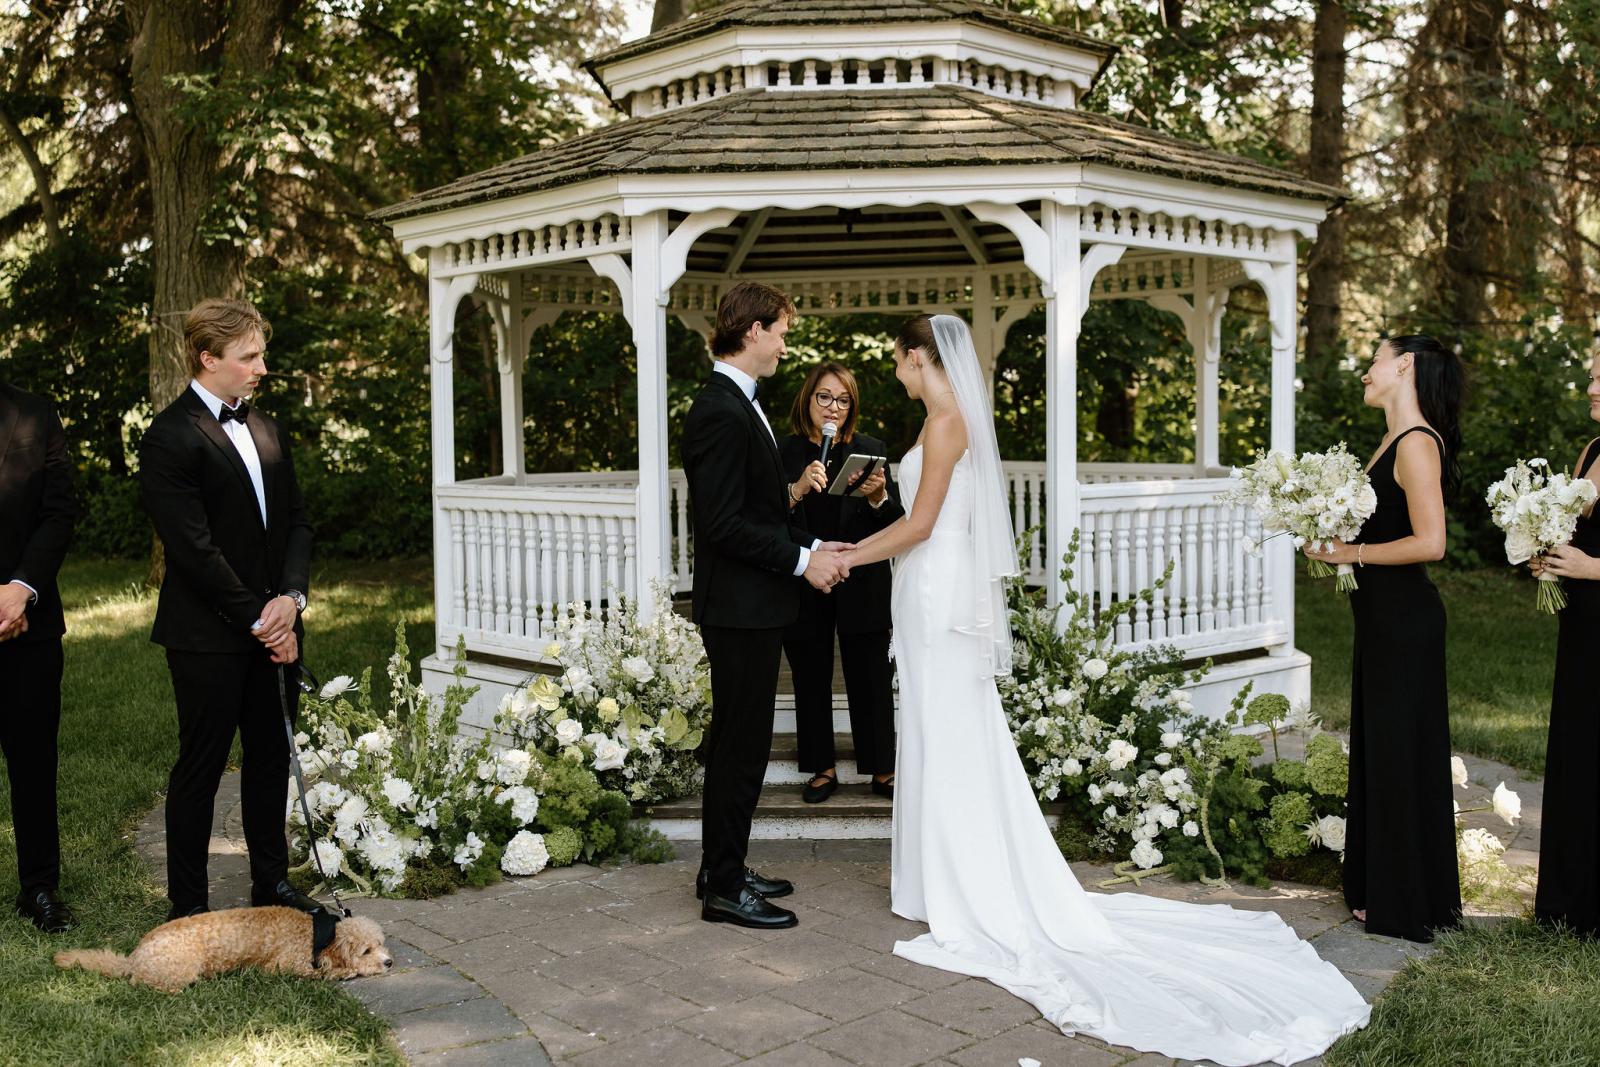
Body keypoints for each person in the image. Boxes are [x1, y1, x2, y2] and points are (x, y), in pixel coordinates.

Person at [836, 314, 1369, 1064]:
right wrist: (876, 501)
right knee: (929, 727)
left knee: (953, 731)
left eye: (898, 358)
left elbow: (923, 526)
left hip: (938, 591)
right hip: (923, 589)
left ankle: (968, 888)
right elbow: (920, 511)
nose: (894, 369)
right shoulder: (936, 422)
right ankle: (934, 880)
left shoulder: (950, 422)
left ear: (918, 356)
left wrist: (850, 555)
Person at [138, 298, 320, 921]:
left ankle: (271, 885)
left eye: (261, 354)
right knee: (203, 765)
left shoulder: (268, 429)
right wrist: (260, 618)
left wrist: (290, 604)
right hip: (207, 635)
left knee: (270, 760)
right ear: (208, 358)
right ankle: (187, 907)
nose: (261, 367)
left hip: (278, 626)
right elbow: (193, 550)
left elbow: (297, 523)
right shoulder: (168, 437)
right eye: (249, 357)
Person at [680, 281, 850, 929]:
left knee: (738, 743)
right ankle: (723, 885)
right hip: (739, 608)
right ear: (752, 330)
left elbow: (758, 509)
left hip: (752, 604)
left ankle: (721, 865)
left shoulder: (739, 402)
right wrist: (804, 562)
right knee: (740, 748)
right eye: (780, 329)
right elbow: (723, 524)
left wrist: (811, 541)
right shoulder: (719, 410)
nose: (785, 343)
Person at [1306, 334, 1465, 943]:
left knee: (1400, 755)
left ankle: (1407, 901)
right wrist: (1327, 540)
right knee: (1382, 750)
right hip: (1380, 623)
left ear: (1405, 365)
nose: (1365, 371)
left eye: (1374, 359)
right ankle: (1382, 886)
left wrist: (1354, 550)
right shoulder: (1389, 440)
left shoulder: (1417, 444)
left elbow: (1431, 543)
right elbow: (1382, 526)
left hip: (1406, 626)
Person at [780, 362, 902, 803]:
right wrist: (797, 488)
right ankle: (822, 766)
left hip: (860, 574)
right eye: (825, 397)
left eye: (844, 400)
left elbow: (894, 521)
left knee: (870, 670)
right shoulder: (785, 451)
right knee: (810, 671)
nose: (834, 407)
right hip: (806, 574)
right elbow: (770, 520)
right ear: (808, 399)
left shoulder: (870, 449)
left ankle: (881, 766)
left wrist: (876, 495)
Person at [0, 381, 77, 932]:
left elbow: (60, 511)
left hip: (30, 622)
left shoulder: (33, 410)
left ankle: (40, 888)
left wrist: (19, 589)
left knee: (33, 760)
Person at [1530, 349, 1600, 935]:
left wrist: (1592, 569)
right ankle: (1568, 901)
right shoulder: (1593, 451)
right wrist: (1548, 555)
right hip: (1583, 632)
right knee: (1578, 752)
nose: (1592, 386)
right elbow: (1569, 532)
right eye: (1592, 375)